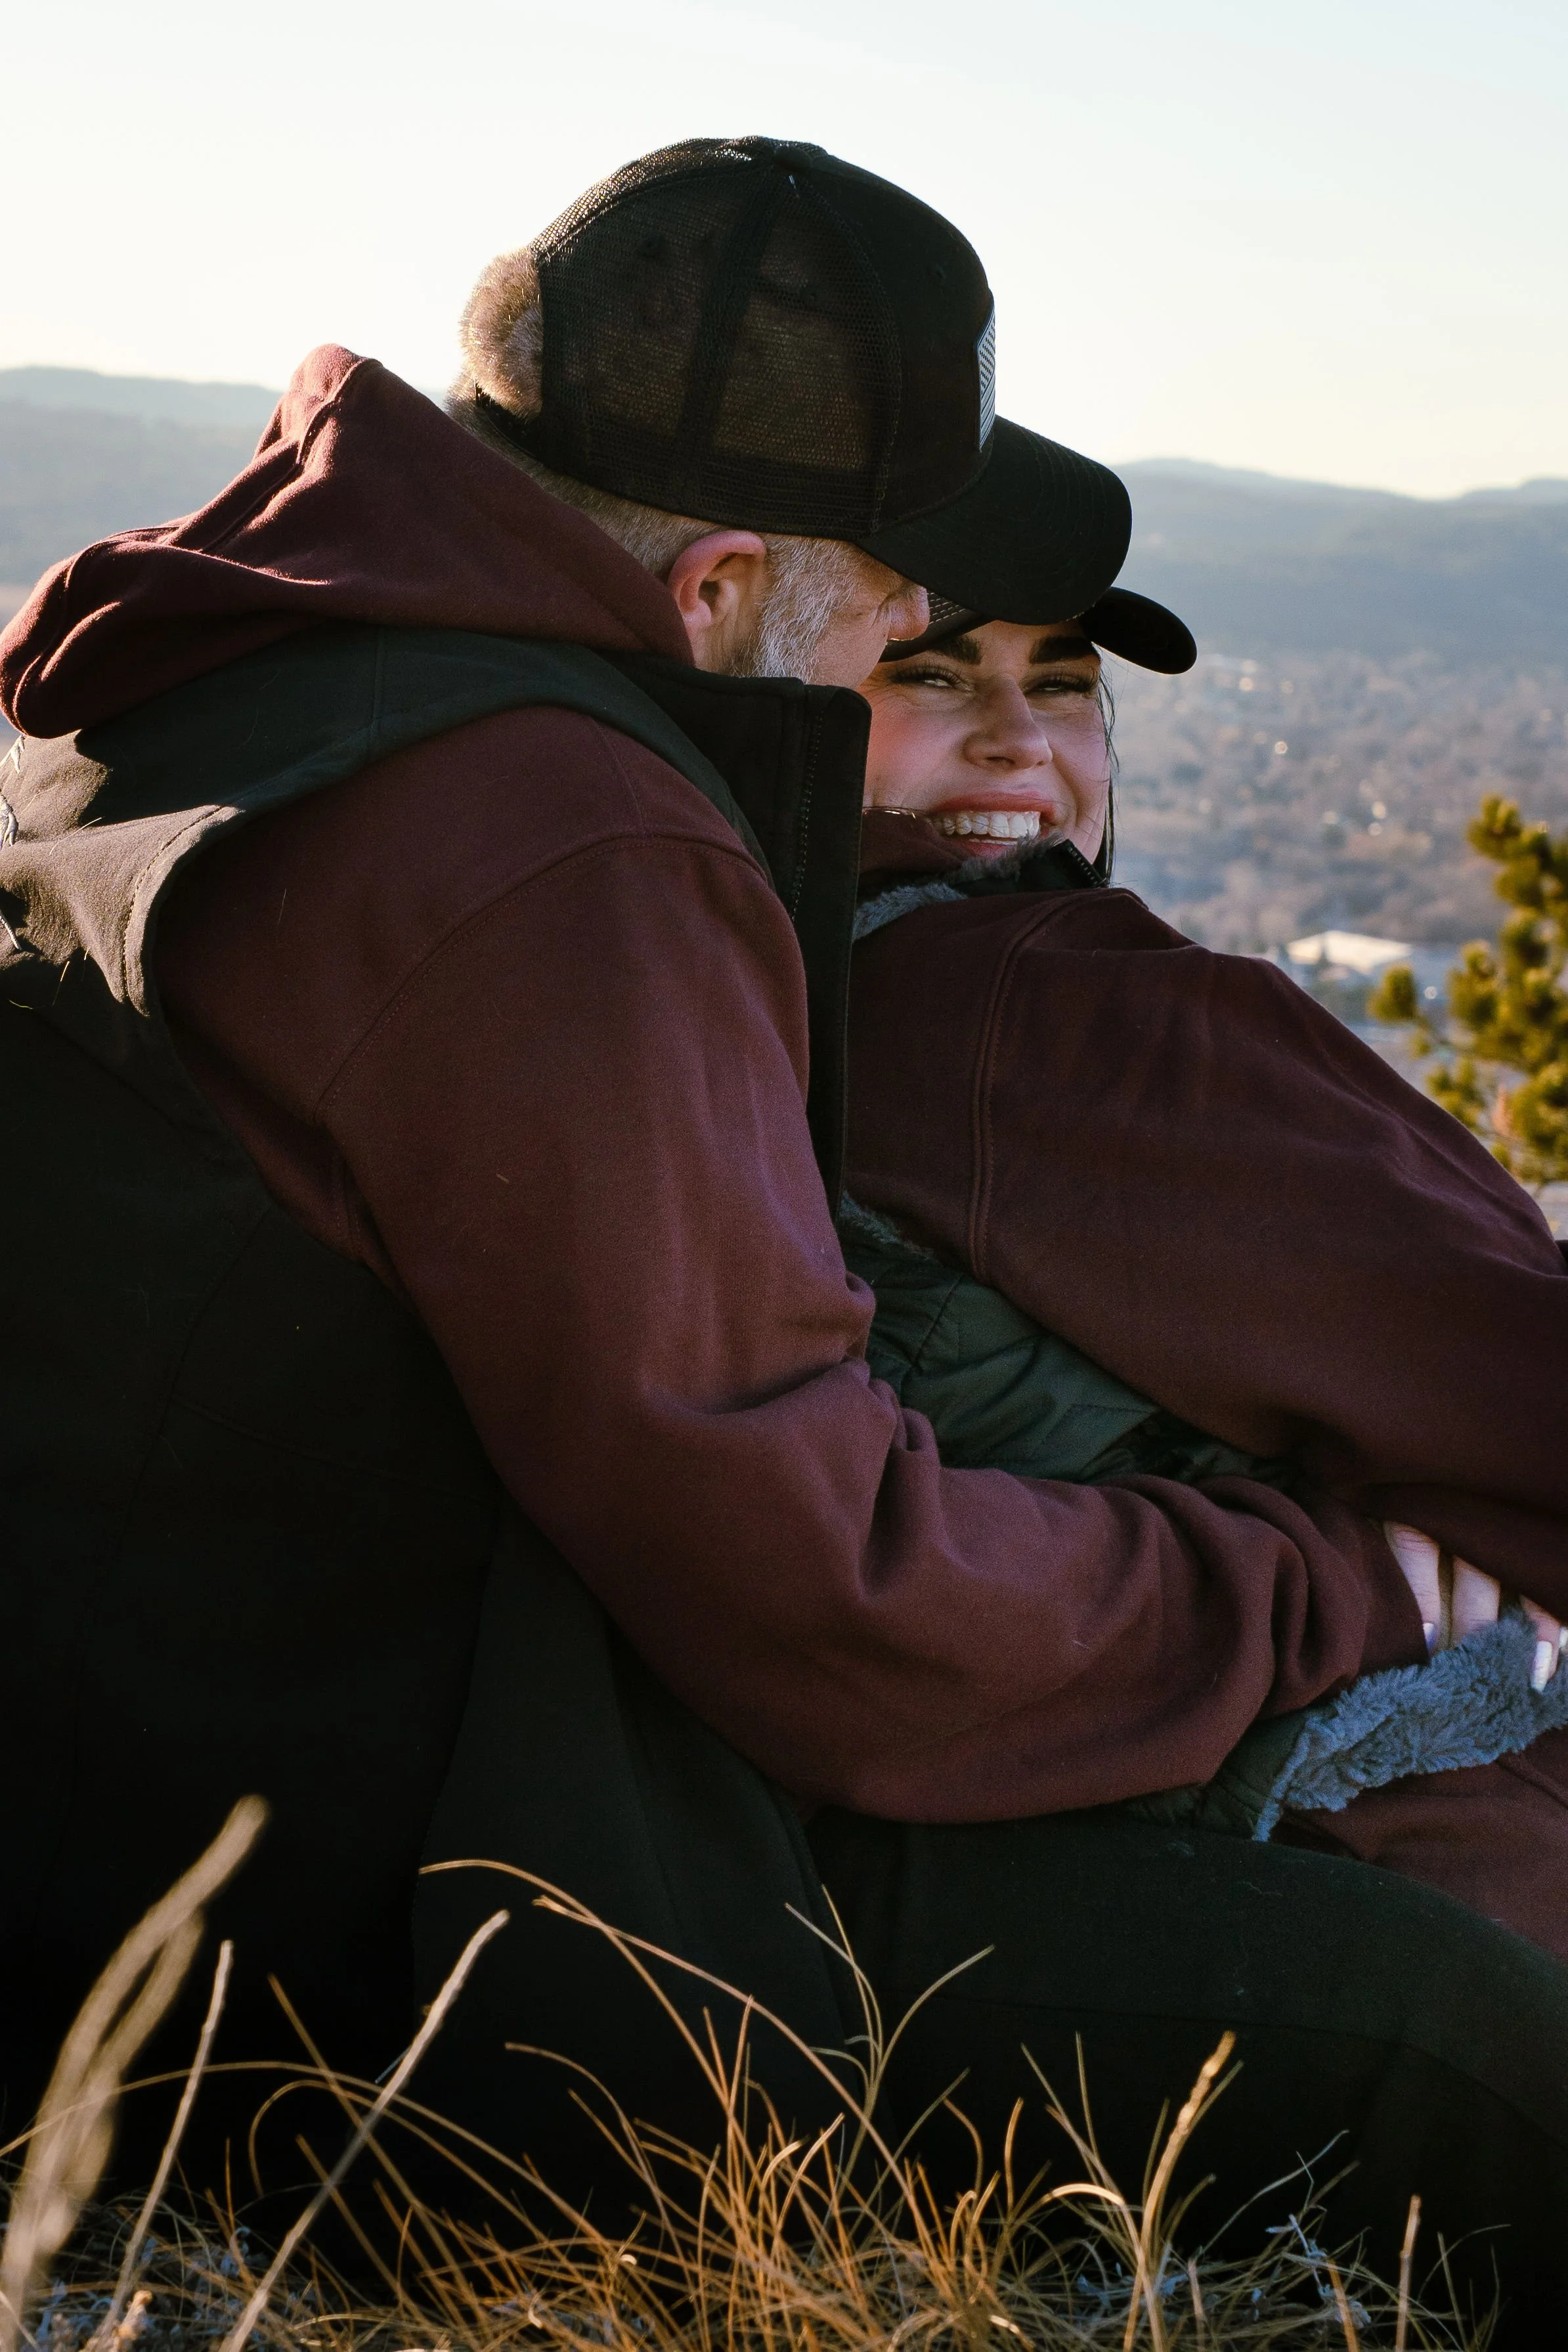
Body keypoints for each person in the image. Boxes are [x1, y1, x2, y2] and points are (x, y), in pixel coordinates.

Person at [2, 134, 1567, 2328]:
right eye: (893, 611)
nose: (921, 644)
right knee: (1445, 2035)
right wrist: (1316, 1586)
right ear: (721, 586)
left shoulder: (206, 677)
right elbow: (836, 1593)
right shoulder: (564, 850)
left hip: (165, 1826)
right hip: (427, 1970)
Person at [845, 599, 1568, 1941]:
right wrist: (1361, 1582)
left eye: (1064, 688)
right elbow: (1509, 1372)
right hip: (1393, 1842)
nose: (1018, 741)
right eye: (933, 677)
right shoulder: (1038, 1011)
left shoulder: (755, 979)